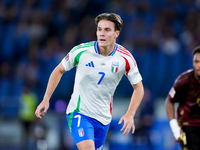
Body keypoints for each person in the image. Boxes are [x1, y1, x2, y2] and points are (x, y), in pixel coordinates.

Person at [35, 13, 144, 150]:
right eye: (99, 29)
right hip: (79, 113)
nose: (102, 34)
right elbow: (59, 70)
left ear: (117, 33)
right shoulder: (81, 51)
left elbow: (139, 88)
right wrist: (46, 98)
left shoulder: (125, 58)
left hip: (103, 118)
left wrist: (130, 113)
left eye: (107, 30)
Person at [165, 46, 200, 150]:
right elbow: (169, 102)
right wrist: (175, 128)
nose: (199, 65)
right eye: (196, 62)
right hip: (187, 126)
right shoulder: (183, 81)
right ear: (193, 63)